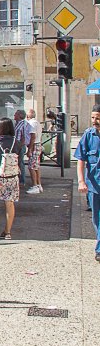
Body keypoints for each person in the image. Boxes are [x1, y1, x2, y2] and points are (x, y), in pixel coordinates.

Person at [75, 105, 100, 262]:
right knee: (96, 218)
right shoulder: (88, 135)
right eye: (92, 117)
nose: (94, 121)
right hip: (94, 185)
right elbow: (81, 159)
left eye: (97, 118)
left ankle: (99, 249)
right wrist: (81, 181)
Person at [25, 109, 43, 194]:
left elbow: (33, 136)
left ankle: (35, 185)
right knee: (36, 166)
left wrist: (30, 149)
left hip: (34, 145)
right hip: (38, 144)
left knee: (31, 166)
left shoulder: (31, 123)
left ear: (27, 116)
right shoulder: (37, 123)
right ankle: (38, 184)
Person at [13, 109, 30, 187]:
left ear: (20, 115)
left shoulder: (23, 124)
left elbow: (24, 136)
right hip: (15, 145)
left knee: (20, 163)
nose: (14, 115)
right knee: (15, 163)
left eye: (16, 114)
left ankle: (22, 180)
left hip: (20, 146)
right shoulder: (16, 123)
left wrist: (20, 145)